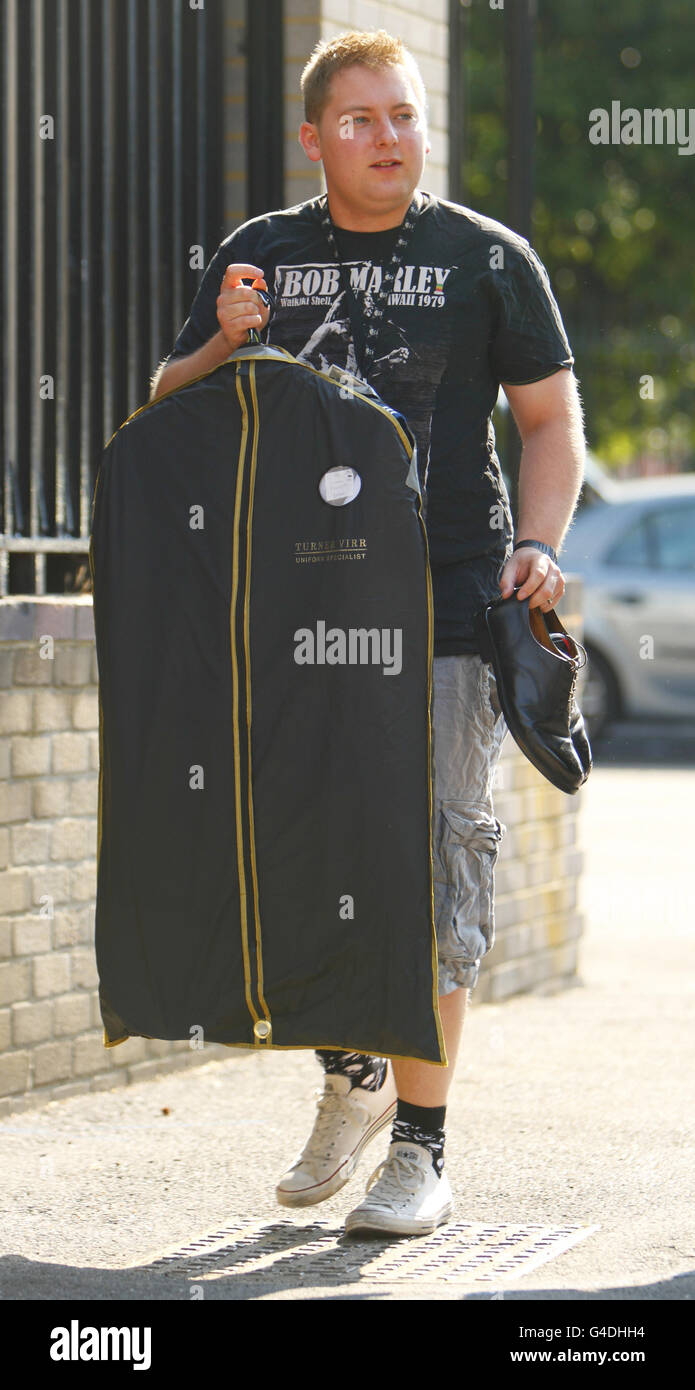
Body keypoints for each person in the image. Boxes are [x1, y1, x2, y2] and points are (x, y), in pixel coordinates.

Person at [150, 29, 586, 1238]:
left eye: (401, 115)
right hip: (297, 613)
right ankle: (349, 1070)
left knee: (443, 861)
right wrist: (219, 343)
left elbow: (548, 420)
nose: (388, 137)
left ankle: (420, 1147)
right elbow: (164, 416)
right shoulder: (259, 259)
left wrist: (539, 546)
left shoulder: (485, 259)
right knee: (301, 860)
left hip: (448, 607)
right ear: (312, 138)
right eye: (359, 120)